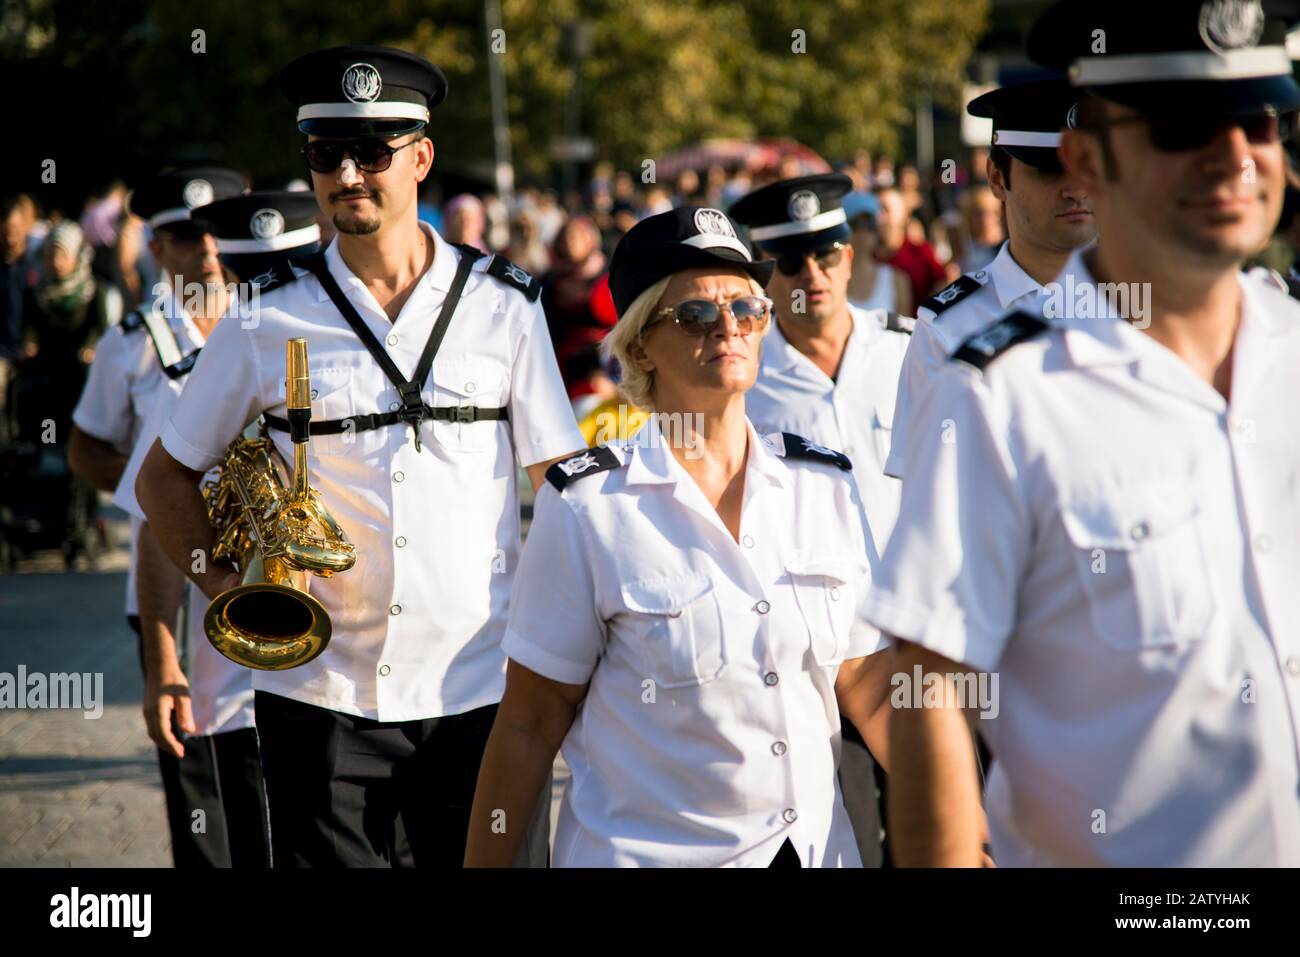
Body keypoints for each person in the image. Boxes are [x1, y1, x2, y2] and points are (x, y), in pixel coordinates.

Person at [872, 0, 1300, 866]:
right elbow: (930, 692)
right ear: (1086, 158)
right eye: (1184, 125)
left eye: (1261, 120)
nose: (1233, 157)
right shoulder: (1002, 391)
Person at [136, 46, 584, 868]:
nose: (348, 174)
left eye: (372, 152)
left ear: (422, 157)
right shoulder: (261, 316)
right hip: (318, 698)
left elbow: (559, 482)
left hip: (482, 694)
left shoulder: (504, 304)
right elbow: (162, 475)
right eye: (325, 155)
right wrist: (226, 588)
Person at [464, 207, 896, 867]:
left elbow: (865, 681)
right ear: (639, 345)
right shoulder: (589, 507)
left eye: (748, 307)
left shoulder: (824, 485)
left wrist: (969, 819)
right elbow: (528, 724)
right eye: (696, 315)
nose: (730, 327)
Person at [115, 190, 324, 868]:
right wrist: (163, 663)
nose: (274, 293)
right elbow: (155, 527)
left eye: (291, 271)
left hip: (360, 687)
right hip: (241, 690)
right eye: (255, 278)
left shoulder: (356, 366)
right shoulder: (197, 384)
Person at [729, 174, 912, 867]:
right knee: (851, 844)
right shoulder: (740, 376)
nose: (814, 273)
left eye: (829, 252)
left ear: (852, 251)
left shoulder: (910, 349)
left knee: (945, 838)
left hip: (922, 646)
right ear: (764, 274)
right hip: (822, 660)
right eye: (791, 260)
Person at [885, 77, 1097, 479]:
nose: (1075, 190)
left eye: (1087, 166)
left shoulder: (1152, 301)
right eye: (1050, 171)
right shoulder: (946, 329)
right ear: (998, 179)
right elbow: (927, 497)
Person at [876, 187, 949, 309]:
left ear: (904, 215)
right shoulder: (867, 257)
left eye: (885, 209)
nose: (879, 217)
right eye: (876, 210)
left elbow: (942, 284)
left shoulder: (922, 253)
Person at [843, 191, 912, 314]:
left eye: (870, 224)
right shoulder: (831, 281)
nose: (863, 232)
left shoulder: (898, 281)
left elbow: (905, 331)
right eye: (855, 224)